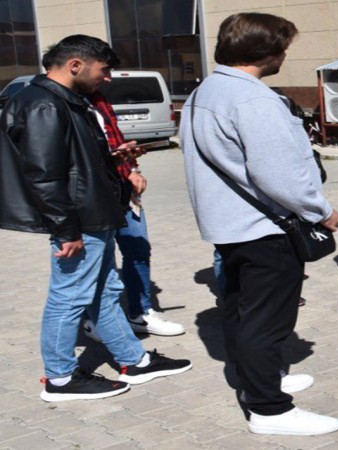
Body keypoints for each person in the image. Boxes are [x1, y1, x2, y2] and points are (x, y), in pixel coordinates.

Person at [0, 34, 191, 401]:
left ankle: (134, 360)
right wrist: (66, 229)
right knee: (69, 297)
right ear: (76, 65)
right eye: (104, 70)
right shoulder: (44, 104)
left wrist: (111, 158)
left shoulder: (65, 100)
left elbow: (71, 161)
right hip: (80, 219)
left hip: (93, 213)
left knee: (104, 290)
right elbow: (44, 175)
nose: (107, 78)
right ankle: (60, 378)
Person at [180, 13, 338, 435]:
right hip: (265, 228)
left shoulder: (205, 91)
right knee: (267, 320)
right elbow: (278, 175)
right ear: (266, 51)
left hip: (231, 224)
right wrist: (321, 210)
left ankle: (258, 380)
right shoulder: (253, 99)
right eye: (283, 48)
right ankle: (270, 410)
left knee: (241, 310)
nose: (285, 56)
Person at [81, 90, 185, 340]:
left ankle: (140, 313)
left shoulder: (99, 98)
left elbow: (114, 140)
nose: (108, 78)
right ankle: (93, 318)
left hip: (123, 189)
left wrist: (131, 168)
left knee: (138, 248)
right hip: (92, 195)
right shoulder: (63, 103)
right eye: (105, 71)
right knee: (95, 259)